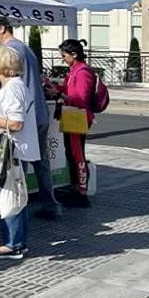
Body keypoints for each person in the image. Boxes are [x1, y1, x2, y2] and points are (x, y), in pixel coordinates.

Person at [0, 16, 59, 220]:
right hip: (38, 112)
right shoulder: (26, 48)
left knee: (17, 166)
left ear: (1, 29)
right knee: (40, 161)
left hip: (25, 115)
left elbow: (12, 83)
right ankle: (49, 204)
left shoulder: (11, 50)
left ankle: (15, 210)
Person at [0, 46, 38, 259]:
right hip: (13, 149)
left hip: (10, 150)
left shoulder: (13, 88)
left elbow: (16, 123)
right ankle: (14, 239)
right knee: (13, 195)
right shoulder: (16, 85)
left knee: (8, 196)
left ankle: (13, 244)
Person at [55, 39, 95, 207]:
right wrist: (55, 87)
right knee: (71, 154)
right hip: (72, 116)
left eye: (64, 56)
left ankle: (81, 193)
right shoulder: (74, 71)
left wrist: (63, 96)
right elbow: (70, 90)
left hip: (78, 117)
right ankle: (75, 189)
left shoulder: (83, 72)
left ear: (74, 54)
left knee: (77, 155)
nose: (63, 58)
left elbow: (81, 98)